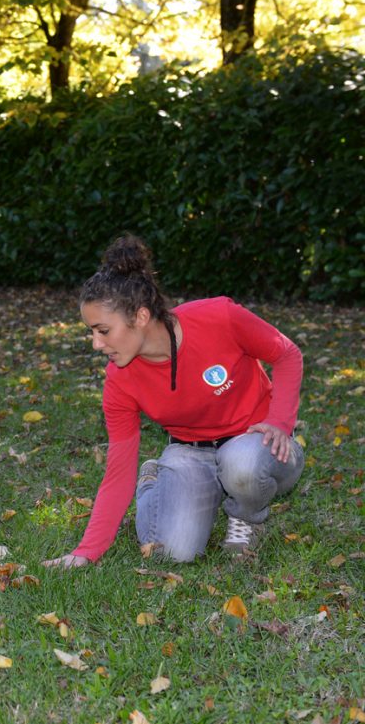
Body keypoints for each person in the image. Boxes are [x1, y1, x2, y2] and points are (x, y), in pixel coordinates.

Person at [43, 235, 305, 567]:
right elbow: (118, 470)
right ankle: (156, 480)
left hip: (257, 443)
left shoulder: (218, 317)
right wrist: (86, 553)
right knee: (172, 552)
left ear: (139, 317)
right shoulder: (120, 380)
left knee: (243, 466)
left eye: (103, 331)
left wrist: (280, 422)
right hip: (191, 452)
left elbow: (286, 354)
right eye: (91, 332)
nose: (96, 344)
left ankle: (247, 518)